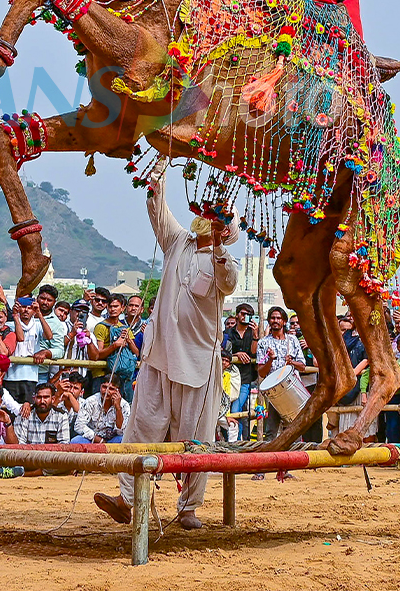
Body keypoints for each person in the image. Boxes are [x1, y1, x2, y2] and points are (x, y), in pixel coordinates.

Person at [94, 159, 238, 529]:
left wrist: (218, 245)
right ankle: (127, 499)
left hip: (198, 364)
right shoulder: (177, 241)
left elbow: (228, 282)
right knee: (141, 427)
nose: (210, 221)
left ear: (226, 230)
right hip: (158, 356)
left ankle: (188, 508)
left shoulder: (225, 260)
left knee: (196, 438)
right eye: (210, 216)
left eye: (219, 221)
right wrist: (160, 163)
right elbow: (155, 204)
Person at [256, 307, 306, 445]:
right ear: (269, 321)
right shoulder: (263, 343)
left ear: (284, 321)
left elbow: (302, 366)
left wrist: (291, 362)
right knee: (271, 430)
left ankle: (296, 456)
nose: (275, 320)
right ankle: (269, 456)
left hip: (292, 389)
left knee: (295, 429)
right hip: (274, 392)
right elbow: (261, 372)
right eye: (273, 318)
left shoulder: (293, 340)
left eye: (279, 318)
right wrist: (270, 360)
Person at [92, 294, 139, 404]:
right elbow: (98, 354)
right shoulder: (101, 327)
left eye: (116, 306)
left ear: (122, 308)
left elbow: (136, 352)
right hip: (102, 375)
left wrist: (128, 340)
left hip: (121, 376)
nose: (113, 309)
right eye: (110, 306)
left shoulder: (125, 328)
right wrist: (115, 345)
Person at [224, 303, 258, 440]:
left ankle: (236, 442)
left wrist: (255, 335)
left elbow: (254, 353)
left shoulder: (252, 332)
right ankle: (233, 440)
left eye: (248, 314)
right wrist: (235, 355)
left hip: (245, 378)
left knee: (236, 410)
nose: (245, 317)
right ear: (237, 314)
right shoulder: (228, 333)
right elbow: (223, 352)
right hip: (228, 377)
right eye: (243, 313)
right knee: (225, 411)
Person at [5, 298, 42, 405]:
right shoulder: (10, 325)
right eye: (23, 307)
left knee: (27, 408)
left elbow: (49, 336)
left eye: (30, 308)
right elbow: (20, 338)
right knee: (10, 408)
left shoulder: (38, 325)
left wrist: (39, 314)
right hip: (11, 375)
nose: (26, 310)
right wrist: (15, 317)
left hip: (30, 375)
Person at [71, 377, 130, 444]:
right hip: (92, 439)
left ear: (117, 391)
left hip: (113, 441)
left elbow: (122, 431)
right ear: (100, 387)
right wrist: (99, 440)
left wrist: (118, 408)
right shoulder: (91, 401)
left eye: (111, 389)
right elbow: (79, 425)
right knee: (76, 441)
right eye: (104, 387)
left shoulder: (124, 405)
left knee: (123, 440)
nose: (106, 391)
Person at [32, 285, 66, 386]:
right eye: (42, 298)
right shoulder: (26, 313)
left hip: (40, 372)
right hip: (18, 368)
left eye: (49, 300)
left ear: (54, 302)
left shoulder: (56, 323)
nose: (45, 302)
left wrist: (46, 352)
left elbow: (59, 350)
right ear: (37, 298)